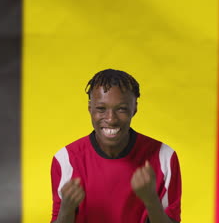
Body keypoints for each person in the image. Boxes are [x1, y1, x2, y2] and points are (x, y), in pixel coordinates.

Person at [50, 69, 181, 223]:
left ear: (135, 109)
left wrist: (151, 200)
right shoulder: (66, 159)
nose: (111, 119)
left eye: (121, 109)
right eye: (101, 109)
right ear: (90, 108)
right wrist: (67, 208)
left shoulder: (164, 156)